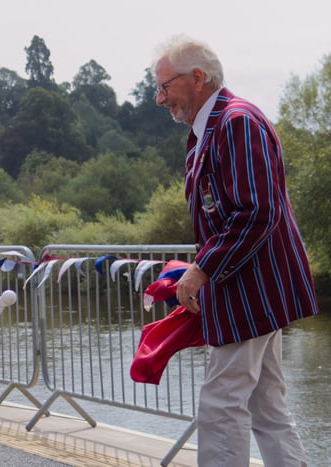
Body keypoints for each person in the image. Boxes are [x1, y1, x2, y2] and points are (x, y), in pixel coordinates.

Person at [153, 35, 319, 467]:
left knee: (222, 405)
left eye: (165, 86)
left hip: (249, 289)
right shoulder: (217, 125)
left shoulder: (235, 122)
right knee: (267, 406)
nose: (159, 98)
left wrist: (202, 269)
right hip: (250, 287)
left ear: (196, 78)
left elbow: (256, 212)